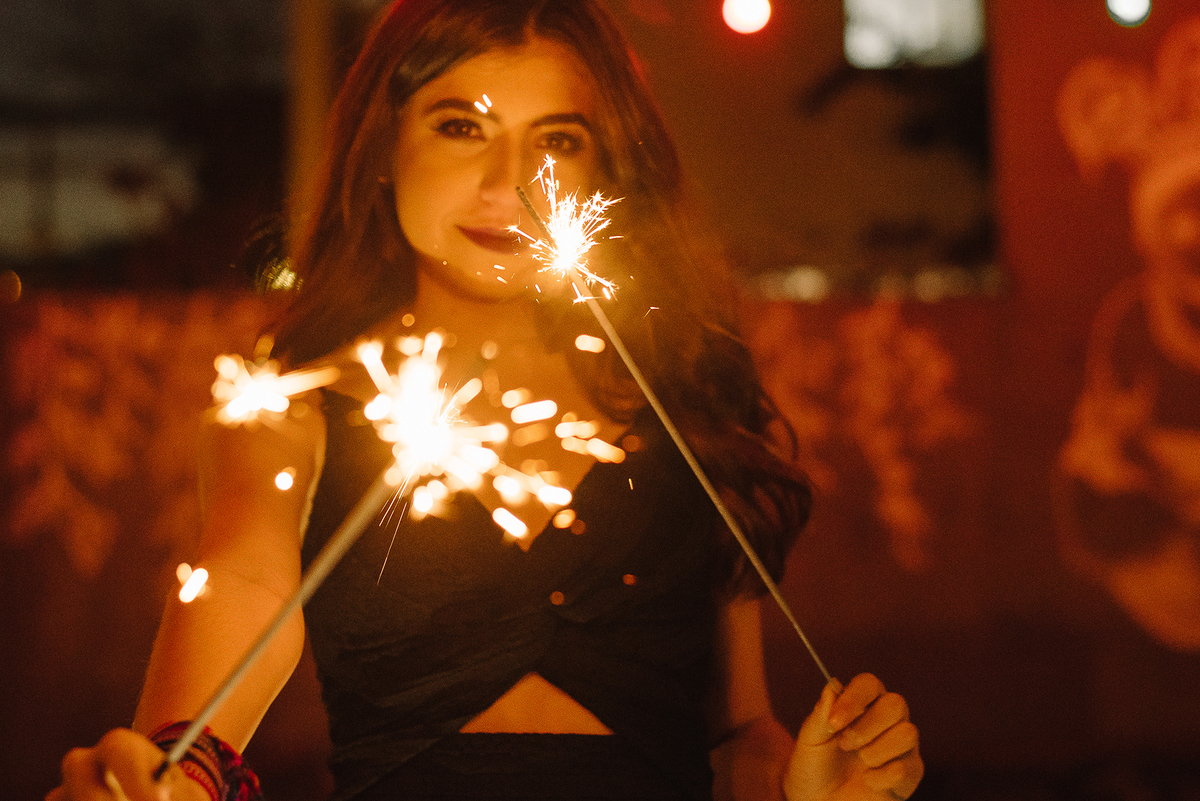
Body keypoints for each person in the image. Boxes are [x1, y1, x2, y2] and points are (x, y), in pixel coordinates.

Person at [48, 1, 923, 799]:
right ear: (383, 146)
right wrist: (173, 769)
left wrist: (808, 792)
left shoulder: (687, 404)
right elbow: (241, 581)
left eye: (558, 139)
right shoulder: (293, 405)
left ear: (606, 168)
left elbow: (735, 734)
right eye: (463, 125)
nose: (511, 182)